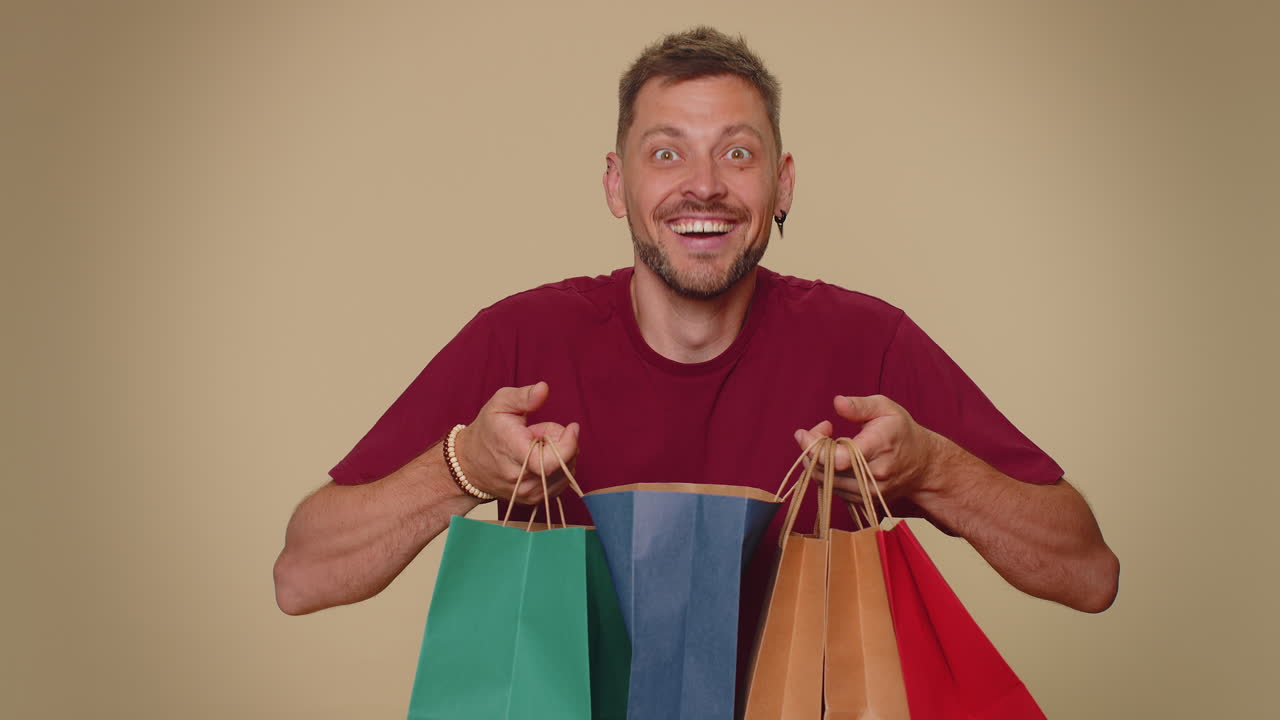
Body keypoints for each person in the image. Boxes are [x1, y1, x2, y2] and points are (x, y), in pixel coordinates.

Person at [273, 27, 1118, 624]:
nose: (704, 186)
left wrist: (932, 468)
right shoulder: (521, 340)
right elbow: (302, 574)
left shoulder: (868, 344)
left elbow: (1088, 573)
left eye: (738, 153)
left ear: (782, 184)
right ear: (616, 184)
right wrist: (463, 467)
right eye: (667, 151)